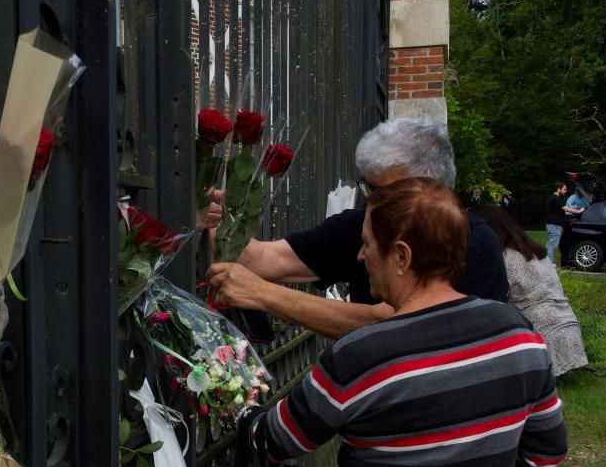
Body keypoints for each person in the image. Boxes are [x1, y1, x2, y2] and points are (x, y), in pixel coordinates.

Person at [244, 178, 568, 467]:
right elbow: (547, 451)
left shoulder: (363, 353)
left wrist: (241, 406)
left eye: (366, 244)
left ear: (401, 256)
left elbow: (279, 439)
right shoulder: (520, 336)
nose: (361, 257)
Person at [207, 116, 509, 340]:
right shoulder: (363, 225)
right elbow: (264, 259)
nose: (371, 202)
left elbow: (393, 326)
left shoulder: (470, 245)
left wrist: (262, 294)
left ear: (428, 190)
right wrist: (215, 216)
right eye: (368, 188)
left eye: (381, 191)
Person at [477, 206, 587, 467]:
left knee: (526, 430)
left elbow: (495, 301)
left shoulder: (504, 258)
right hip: (565, 331)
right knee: (534, 424)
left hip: (540, 338)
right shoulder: (536, 253)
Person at [545, 181, 585, 263]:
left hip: (554, 225)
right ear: (558, 189)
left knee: (551, 243)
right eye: (564, 189)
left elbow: (565, 208)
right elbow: (566, 208)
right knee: (553, 244)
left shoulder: (555, 198)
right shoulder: (555, 198)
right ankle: (549, 263)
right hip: (554, 225)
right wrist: (578, 211)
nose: (566, 191)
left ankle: (546, 261)